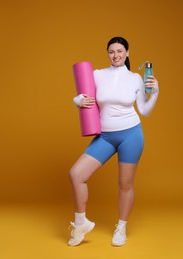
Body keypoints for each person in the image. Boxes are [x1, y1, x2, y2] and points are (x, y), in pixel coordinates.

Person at [68, 36, 159, 247]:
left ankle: (121, 227)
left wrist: (154, 92)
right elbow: (81, 96)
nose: (115, 55)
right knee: (76, 174)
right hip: (105, 136)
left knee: (125, 184)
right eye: (111, 51)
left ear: (127, 53)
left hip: (131, 135)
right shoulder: (97, 75)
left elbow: (144, 111)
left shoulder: (136, 78)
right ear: (107, 53)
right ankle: (81, 223)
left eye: (120, 51)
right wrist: (78, 101)